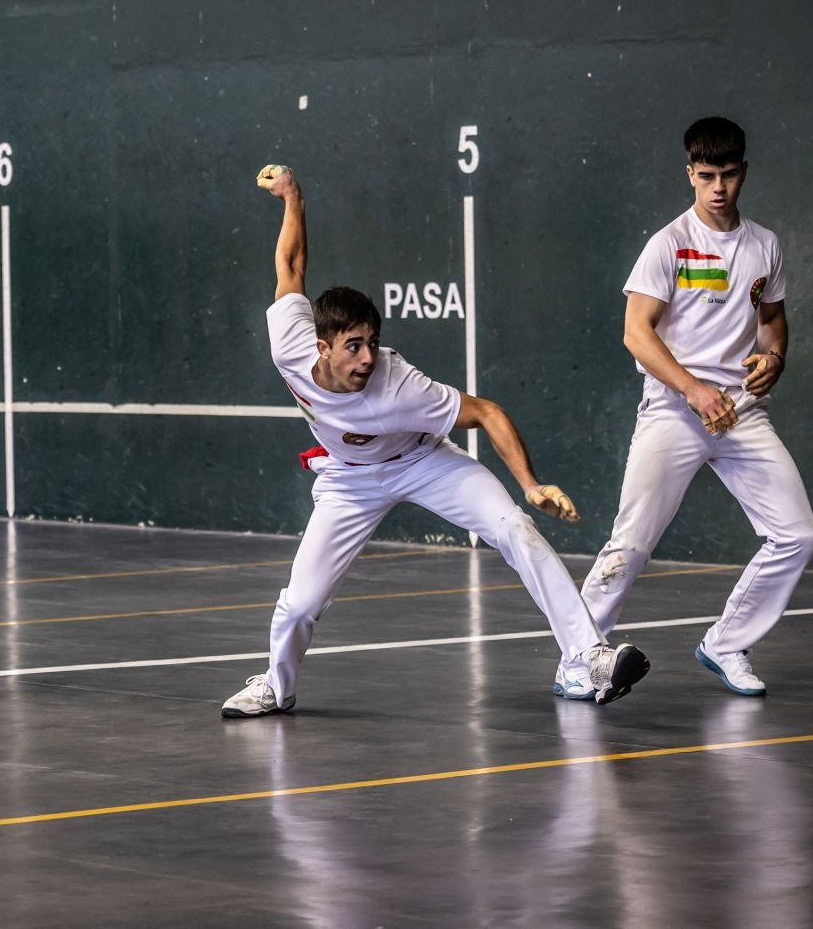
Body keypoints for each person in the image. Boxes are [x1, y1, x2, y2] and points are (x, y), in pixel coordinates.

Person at [221, 165, 649, 717]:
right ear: (322, 347)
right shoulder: (289, 344)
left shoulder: (401, 387)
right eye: (353, 346)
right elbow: (291, 265)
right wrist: (292, 197)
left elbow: (487, 412)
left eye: (373, 342)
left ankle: (589, 656)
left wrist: (530, 483)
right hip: (349, 478)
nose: (368, 358)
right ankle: (276, 687)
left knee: (514, 527)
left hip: (423, 461)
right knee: (300, 603)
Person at [562, 117, 813, 698]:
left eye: (728, 174)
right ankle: (579, 660)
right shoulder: (668, 244)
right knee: (630, 543)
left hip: (741, 412)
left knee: (798, 535)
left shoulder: (764, 245)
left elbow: (772, 320)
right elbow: (636, 333)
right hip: (674, 412)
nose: (718, 187)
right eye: (706, 176)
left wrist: (774, 357)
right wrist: (693, 390)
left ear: (743, 172)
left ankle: (727, 643)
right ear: (690, 175)